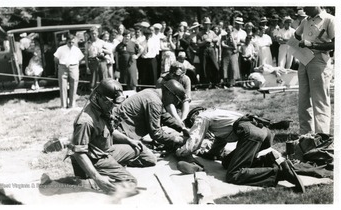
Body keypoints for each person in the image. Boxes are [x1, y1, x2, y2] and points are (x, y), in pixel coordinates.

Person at [176, 107, 305, 193]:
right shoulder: (218, 114)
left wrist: (179, 152)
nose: (193, 124)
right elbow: (220, 141)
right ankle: (269, 161)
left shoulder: (202, 117)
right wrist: (210, 154)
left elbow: (194, 141)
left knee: (234, 175)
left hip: (251, 134)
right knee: (227, 163)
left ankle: (280, 172)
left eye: (191, 122)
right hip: (264, 133)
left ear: (194, 116)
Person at [69, 79, 156, 195]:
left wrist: (129, 140)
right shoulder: (85, 121)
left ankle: (111, 169)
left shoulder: (103, 107)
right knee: (130, 184)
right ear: (99, 97)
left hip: (106, 151)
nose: (112, 107)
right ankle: (88, 181)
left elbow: (110, 130)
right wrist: (97, 178)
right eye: (109, 103)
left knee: (147, 156)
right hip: (94, 158)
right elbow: (78, 153)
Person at [113, 79, 190, 151]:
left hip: (119, 127)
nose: (174, 103)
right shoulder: (154, 101)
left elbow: (164, 116)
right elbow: (156, 133)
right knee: (149, 158)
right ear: (170, 94)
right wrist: (179, 139)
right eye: (176, 100)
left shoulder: (153, 93)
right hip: (118, 132)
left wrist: (182, 128)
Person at [294, 7, 335, 135]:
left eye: (306, 6)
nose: (304, 9)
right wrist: (302, 41)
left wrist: (313, 45)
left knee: (320, 100)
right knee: (303, 100)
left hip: (319, 60)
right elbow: (296, 34)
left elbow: (336, 43)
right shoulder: (306, 20)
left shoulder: (329, 19)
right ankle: (305, 135)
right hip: (304, 59)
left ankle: (322, 137)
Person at [54, 34, 84, 109]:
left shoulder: (77, 49)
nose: (71, 44)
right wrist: (61, 65)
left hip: (73, 67)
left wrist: (74, 66)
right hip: (63, 67)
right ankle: (63, 105)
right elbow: (56, 59)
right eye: (69, 42)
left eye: (72, 42)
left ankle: (72, 104)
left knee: (74, 85)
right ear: (66, 41)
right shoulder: (61, 49)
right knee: (63, 86)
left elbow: (80, 59)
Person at [85, 27, 111, 91]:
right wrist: (87, 67)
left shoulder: (102, 42)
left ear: (97, 33)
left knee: (104, 79)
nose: (94, 35)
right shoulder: (87, 43)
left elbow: (109, 52)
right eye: (92, 34)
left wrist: (103, 51)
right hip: (92, 61)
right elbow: (86, 56)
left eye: (95, 33)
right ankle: (93, 94)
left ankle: (105, 93)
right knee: (93, 80)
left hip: (101, 61)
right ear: (90, 34)